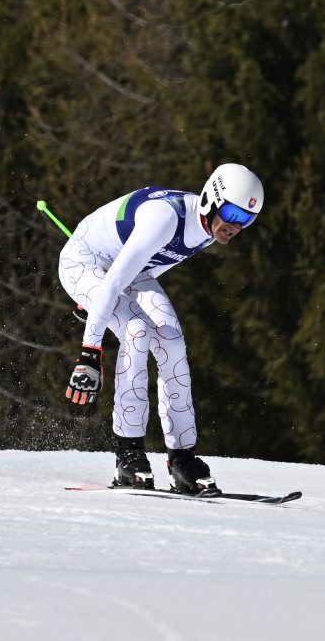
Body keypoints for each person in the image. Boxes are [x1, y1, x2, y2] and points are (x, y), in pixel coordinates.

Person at [58, 164, 263, 493]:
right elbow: (111, 282)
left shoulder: (208, 230)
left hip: (132, 271)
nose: (236, 226)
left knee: (171, 340)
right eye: (231, 214)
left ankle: (182, 459)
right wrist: (89, 351)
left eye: (247, 220)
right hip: (87, 263)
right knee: (137, 330)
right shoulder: (165, 219)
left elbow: (151, 266)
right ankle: (128, 455)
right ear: (212, 199)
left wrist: (113, 299)